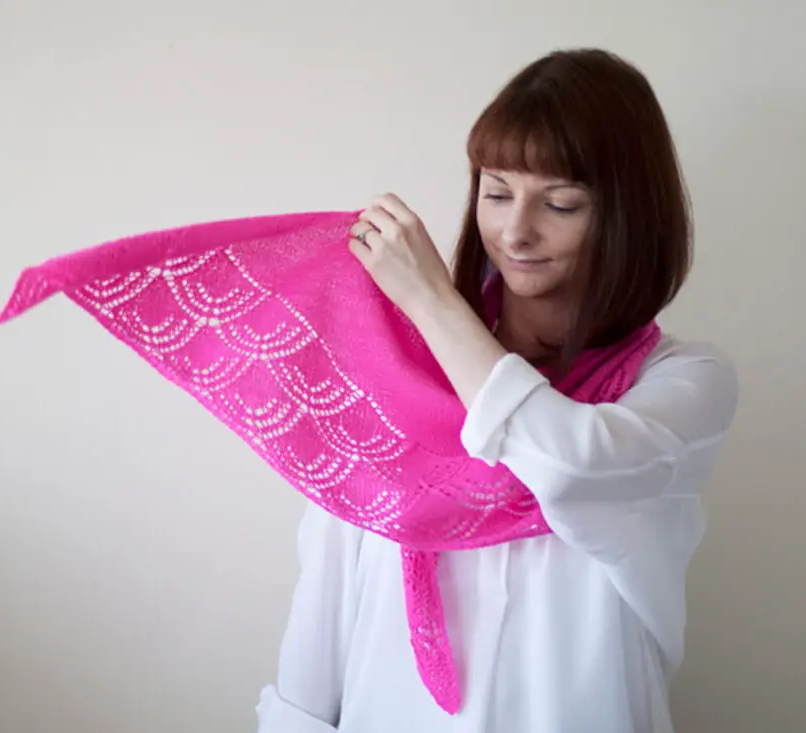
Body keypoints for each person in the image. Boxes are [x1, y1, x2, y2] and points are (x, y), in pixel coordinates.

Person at [255, 48, 738, 733]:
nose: (515, 232)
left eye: (561, 202)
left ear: (628, 215)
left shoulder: (682, 384)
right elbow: (324, 602)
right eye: (497, 191)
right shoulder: (396, 378)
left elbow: (572, 466)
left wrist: (431, 302)